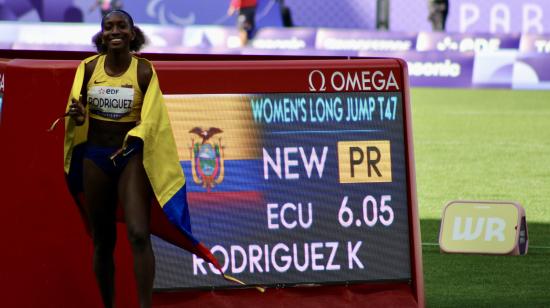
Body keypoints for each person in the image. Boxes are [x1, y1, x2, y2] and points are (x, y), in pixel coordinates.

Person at [65, 9, 157, 308]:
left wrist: (133, 139)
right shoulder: (89, 69)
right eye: (108, 27)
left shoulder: (144, 71)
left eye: (121, 26)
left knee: (139, 233)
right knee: (103, 242)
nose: (114, 31)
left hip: (129, 158)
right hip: (95, 158)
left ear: (132, 33)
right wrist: (78, 116)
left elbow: (154, 121)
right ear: (102, 35)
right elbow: (77, 117)